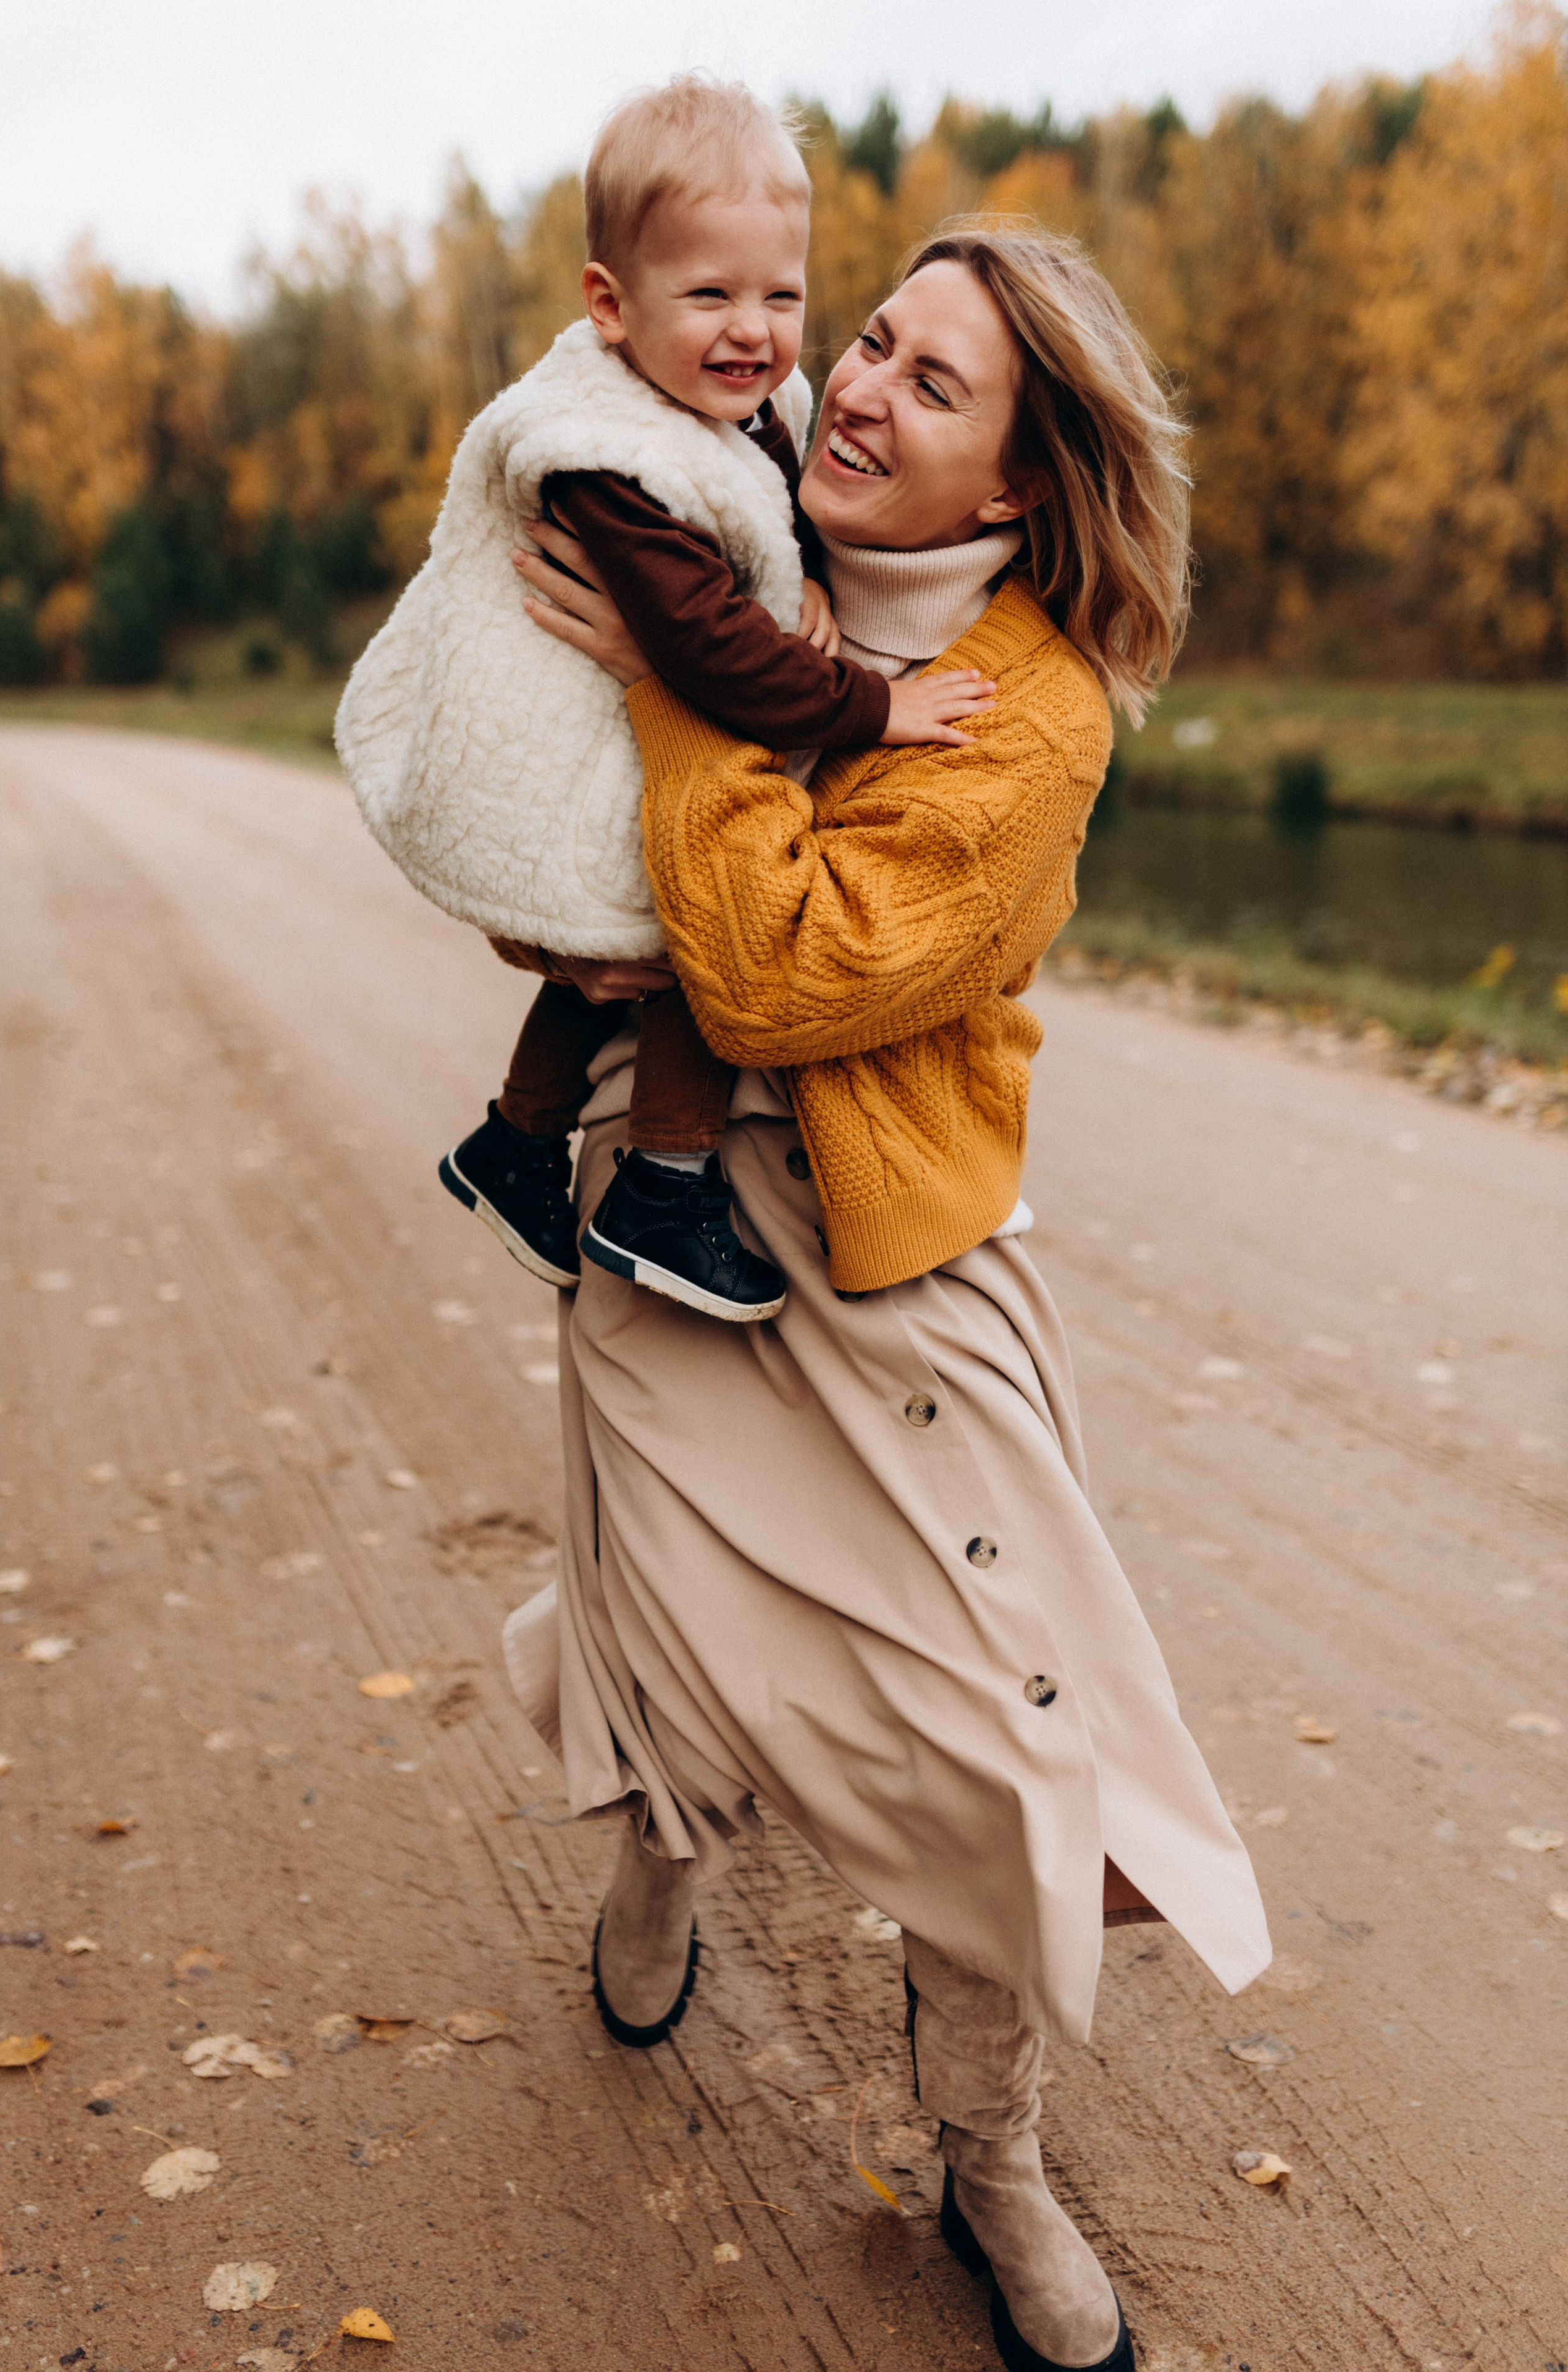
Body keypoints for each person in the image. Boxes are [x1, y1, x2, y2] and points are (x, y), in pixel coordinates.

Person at [499, 229, 1273, 2372]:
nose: (855, 389)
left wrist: (674, 678)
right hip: (666, 1209)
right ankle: (663, 1842)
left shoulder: (1033, 726)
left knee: (1011, 1735)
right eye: (872, 343)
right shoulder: (722, 523)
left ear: (1017, 491)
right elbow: (540, 855)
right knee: (666, 1625)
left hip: (900, 1253)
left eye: (934, 388)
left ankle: (992, 2157)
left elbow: (767, 970)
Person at [337, 77, 990, 1322]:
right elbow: (700, 645)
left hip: (632, 745)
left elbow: (751, 511)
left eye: (782, 295)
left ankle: (515, 1145)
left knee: (659, 933)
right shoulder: (608, 462)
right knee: (697, 936)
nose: (753, 331)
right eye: (709, 295)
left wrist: (789, 560)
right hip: (563, 747)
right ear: (610, 305)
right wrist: (865, 705)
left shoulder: (721, 407)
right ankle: (664, 1183)